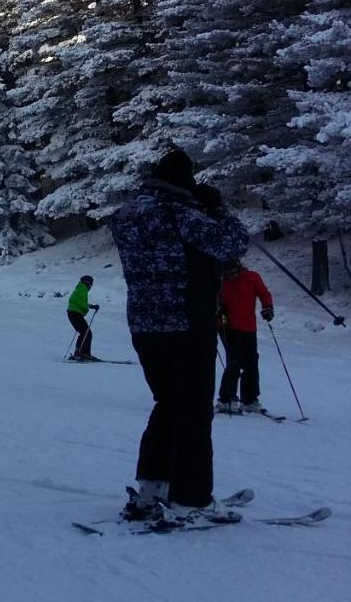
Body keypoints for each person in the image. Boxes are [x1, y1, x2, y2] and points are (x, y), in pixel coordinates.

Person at [110, 148, 250, 526]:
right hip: (187, 321)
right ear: (185, 181)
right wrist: (216, 208)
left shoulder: (124, 215)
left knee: (167, 403)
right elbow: (233, 244)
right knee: (193, 410)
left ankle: (152, 488)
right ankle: (191, 497)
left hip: (144, 325)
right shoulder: (182, 213)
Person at [216, 260, 275, 415]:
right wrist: (218, 309)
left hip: (248, 327)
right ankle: (226, 400)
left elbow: (264, 294)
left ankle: (249, 400)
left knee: (251, 362)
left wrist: (268, 307)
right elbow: (211, 298)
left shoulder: (252, 277)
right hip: (227, 327)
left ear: (238, 268)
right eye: (226, 274)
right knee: (234, 361)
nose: (230, 277)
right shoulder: (220, 281)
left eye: (232, 273)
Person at [66, 275, 101, 361]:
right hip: (74, 314)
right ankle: (83, 353)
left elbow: (79, 301)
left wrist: (91, 306)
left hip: (74, 314)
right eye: (91, 284)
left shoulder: (81, 289)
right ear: (87, 283)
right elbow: (74, 300)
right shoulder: (82, 290)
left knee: (85, 333)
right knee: (86, 333)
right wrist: (88, 307)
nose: (91, 286)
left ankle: (80, 352)